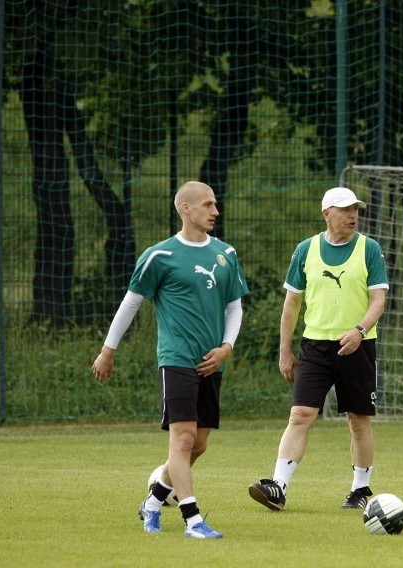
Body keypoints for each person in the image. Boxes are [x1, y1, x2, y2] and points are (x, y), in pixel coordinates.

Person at [91, 180, 249, 538]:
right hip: (176, 358)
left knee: (198, 445)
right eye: (208, 205)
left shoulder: (226, 254)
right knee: (181, 441)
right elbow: (131, 303)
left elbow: (234, 306)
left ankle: (152, 502)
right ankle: (193, 520)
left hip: (213, 361)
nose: (215, 211)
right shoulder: (159, 256)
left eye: (215, 204)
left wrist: (226, 346)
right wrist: (108, 349)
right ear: (186, 208)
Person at [248, 186, 388, 512]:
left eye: (355, 209)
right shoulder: (306, 249)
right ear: (327, 214)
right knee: (300, 415)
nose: (352, 215)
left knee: (358, 420)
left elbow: (378, 300)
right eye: (344, 209)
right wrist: (285, 351)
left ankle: (360, 489)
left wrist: (359, 330)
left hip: (358, 345)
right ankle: (278, 487)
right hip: (314, 346)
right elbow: (292, 304)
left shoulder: (369, 248)